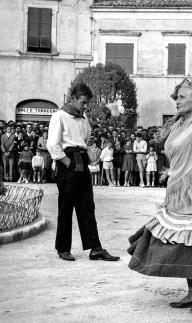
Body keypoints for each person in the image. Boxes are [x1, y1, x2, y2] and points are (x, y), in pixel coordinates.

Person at [128, 80, 192, 314]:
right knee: (182, 242)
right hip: (180, 187)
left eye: (182, 97)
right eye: (177, 97)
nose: (177, 101)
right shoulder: (180, 124)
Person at [47, 82, 119, 262]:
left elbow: (86, 138)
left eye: (87, 103)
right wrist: (67, 162)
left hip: (82, 160)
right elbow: (52, 144)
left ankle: (95, 248)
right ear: (72, 99)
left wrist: (90, 152)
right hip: (68, 160)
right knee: (66, 207)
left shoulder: (84, 117)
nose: (85, 106)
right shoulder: (59, 116)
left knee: (88, 206)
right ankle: (63, 248)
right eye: (83, 102)